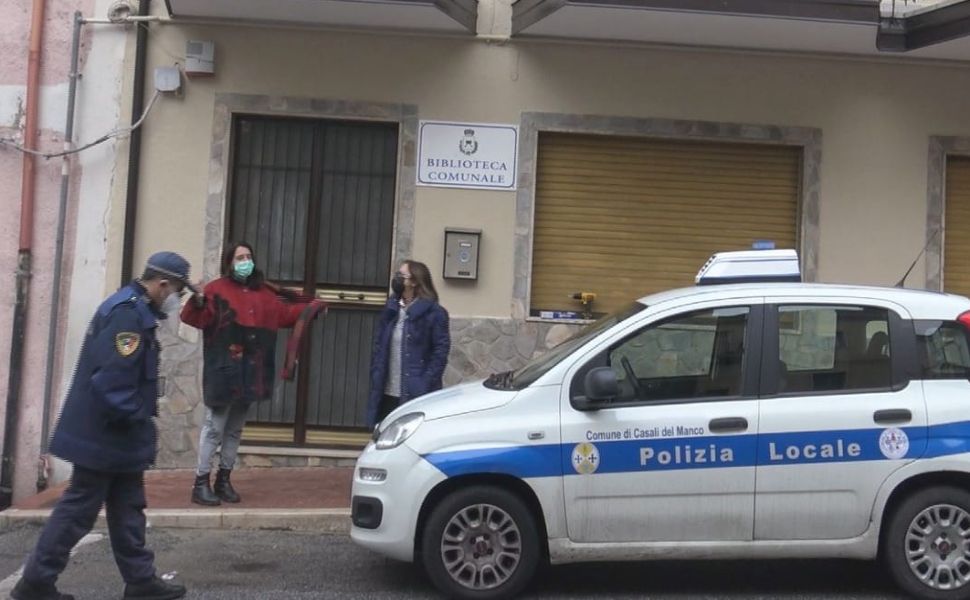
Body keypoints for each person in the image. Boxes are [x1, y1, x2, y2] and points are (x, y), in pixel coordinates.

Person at [12, 252, 192, 600]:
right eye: (178, 291)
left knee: (128, 508)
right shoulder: (128, 316)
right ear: (163, 284)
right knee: (77, 511)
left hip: (116, 435)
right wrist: (139, 420)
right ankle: (34, 583)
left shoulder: (135, 310)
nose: (177, 299)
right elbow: (111, 383)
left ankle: (140, 581)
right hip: (106, 435)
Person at [181, 242, 321, 506]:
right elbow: (193, 318)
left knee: (234, 430)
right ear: (229, 262)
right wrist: (197, 300)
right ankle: (201, 483)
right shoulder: (215, 290)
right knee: (214, 428)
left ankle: (224, 480)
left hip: (252, 372)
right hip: (224, 371)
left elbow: (284, 314)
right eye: (239, 257)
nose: (245, 261)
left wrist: (311, 310)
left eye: (248, 257)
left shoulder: (264, 293)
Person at [367, 260, 450, 428]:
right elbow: (379, 344)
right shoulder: (391, 310)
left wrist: (425, 382)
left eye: (402, 276)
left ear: (414, 281)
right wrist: (376, 371)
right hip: (387, 391)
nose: (397, 280)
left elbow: (440, 352)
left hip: (414, 391)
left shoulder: (434, 313)